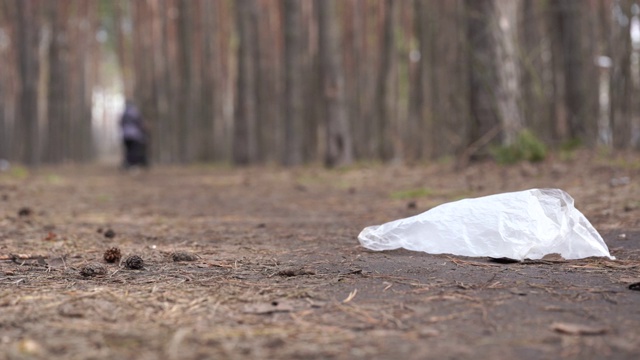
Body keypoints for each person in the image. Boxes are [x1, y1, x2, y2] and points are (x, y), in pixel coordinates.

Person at [120, 100, 148, 169]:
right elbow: (140, 123)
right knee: (134, 151)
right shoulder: (135, 113)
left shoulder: (124, 113)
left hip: (126, 136)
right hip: (135, 136)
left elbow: (121, 123)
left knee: (128, 151)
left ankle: (128, 164)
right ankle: (132, 164)